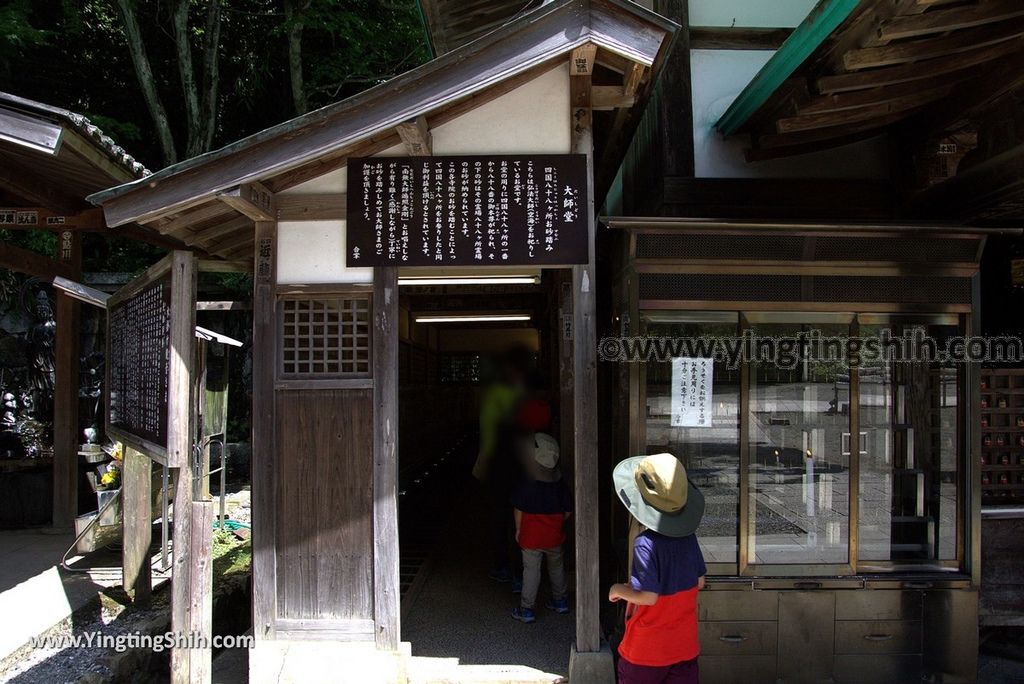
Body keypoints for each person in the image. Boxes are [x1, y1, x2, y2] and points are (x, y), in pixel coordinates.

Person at [609, 453, 707, 684]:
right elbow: (700, 581)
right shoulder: (688, 538)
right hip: (684, 645)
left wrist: (617, 590)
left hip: (646, 650)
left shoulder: (645, 544)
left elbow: (648, 596)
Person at [510, 432, 572, 623]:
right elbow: (569, 509)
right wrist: (559, 522)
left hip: (531, 535)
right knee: (556, 568)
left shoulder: (527, 482)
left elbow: (518, 509)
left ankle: (527, 609)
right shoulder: (559, 482)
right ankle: (560, 601)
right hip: (554, 534)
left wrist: (519, 530)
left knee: (531, 571)